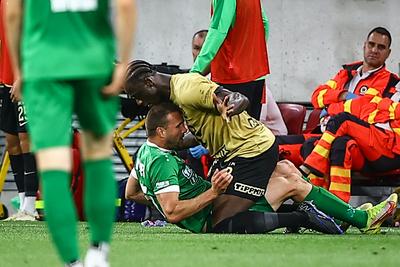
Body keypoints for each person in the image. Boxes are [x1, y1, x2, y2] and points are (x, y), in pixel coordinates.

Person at [124, 59, 398, 234]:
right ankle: (359, 218)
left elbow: (232, 97)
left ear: (149, 82)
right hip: (241, 150)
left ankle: (302, 215)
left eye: (138, 96)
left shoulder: (186, 88)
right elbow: (200, 131)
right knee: (289, 175)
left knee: (220, 225)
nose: (139, 103)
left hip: (249, 151)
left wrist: (233, 103)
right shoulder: (176, 99)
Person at [6, 0, 136, 266]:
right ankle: (99, 252)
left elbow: (11, 12)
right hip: (93, 62)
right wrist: (123, 64)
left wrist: (20, 70)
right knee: (98, 155)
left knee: (52, 164)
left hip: (44, 67)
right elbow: (125, 6)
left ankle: (71, 261)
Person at [126, 102, 345, 234]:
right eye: (178, 126)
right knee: (290, 184)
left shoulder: (146, 152)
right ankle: (349, 217)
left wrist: (165, 195)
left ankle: (324, 214)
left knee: (285, 167)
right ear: (161, 132)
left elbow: (132, 192)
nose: (184, 129)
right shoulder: (162, 162)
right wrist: (212, 192)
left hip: (217, 200)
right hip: (215, 213)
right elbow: (172, 212)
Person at [299, 26, 399, 202]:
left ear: (388, 53)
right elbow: (317, 97)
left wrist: (332, 108)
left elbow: (365, 113)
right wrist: (343, 96)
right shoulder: (346, 74)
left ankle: (339, 210)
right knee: (315, 144)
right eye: (371, 44)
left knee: (342, 127)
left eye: (381, 47)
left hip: (381, 146)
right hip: (344, 136)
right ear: (364, 45)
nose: (374, 50)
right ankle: (315, 208)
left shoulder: (392, 82)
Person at [191, 0, 270, 120]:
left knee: (229, 135)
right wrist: (251, 55)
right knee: (250, 134)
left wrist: (195, 72)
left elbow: (218, 30)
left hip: (232, 76)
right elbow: (264, 23)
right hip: (256, 75)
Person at [0, 0, 38, 221]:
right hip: (5, 81)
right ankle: (23, 204)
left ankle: (31, 205)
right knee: (11, 141)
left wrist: (22, 76)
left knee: (27, 139)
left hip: (26, 81)